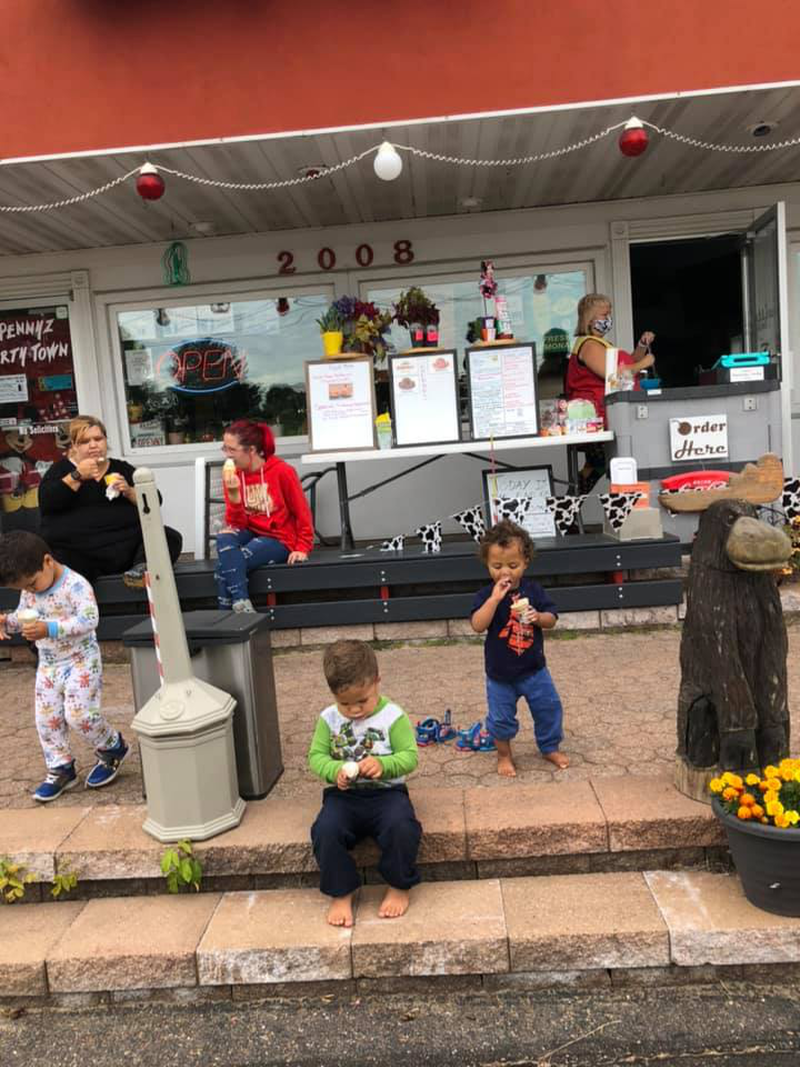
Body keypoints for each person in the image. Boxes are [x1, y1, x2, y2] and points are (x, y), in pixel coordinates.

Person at [0, 531, 129, 802]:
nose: (31, 591)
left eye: (33, 584)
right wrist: (7, 622)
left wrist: (50, 627)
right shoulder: (29, 590)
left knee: (80, 715)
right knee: (47, 719)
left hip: (81, 660)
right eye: (24, 589)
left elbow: (89, 620)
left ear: (47, 561)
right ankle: (61, 766)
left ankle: (112, 746)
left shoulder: (76, 585)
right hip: (48, 664)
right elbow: (26, 617)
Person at [308, 639, 422, 928]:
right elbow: (316, 757)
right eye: (345, 703)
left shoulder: (393, 716)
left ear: (377, 681)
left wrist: (384, 765)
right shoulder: (328, 719)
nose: (355, 710)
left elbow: (410, 757)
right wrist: (335, 770)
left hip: (388, 794)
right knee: (325, 830)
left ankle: (398, 885)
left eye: (363, 700)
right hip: (343, 797)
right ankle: (341, 891)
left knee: (402, 828)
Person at [471, 519, 569, 778]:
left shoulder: (533, 591)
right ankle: (504, 754)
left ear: (525, 562)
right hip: (500, 675)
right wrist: (494, 599)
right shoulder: (485, 596)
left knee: (549, 708)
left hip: (534, 670)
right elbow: (477, 626)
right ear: (487, 565)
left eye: (513, 566)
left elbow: (552, 620)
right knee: (501, 720)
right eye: (497, 566)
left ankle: (549, 746)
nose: (505, 572)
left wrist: (538, 617)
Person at [38, 415, 183, 588]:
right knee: (59, 558)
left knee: (169, 537)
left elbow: (154, 501)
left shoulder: (121, 468)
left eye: (98, 439)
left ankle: (141, 570)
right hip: (82, 553)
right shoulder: (61, 470)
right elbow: (48, 502)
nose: (93, 445)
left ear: (106, 441)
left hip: (126, 549)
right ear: (74, 446)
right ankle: (78, 591)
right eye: (85, 441)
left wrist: (129, 491)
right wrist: (77, 476)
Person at [216, 419, 313, 613]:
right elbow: (237, 523)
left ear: (251, 450)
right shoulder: (233, 474)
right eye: (224, 448)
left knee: (225, 568)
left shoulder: (282, 472)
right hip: (251, 531)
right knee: (224, 538)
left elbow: (302, 512)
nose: (227, 455)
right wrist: (234, 496)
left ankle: (227, 615)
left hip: (280, 538)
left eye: (232, 450)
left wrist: (303, 547)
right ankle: (242, 603)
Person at [564, 293, 655, 493]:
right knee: (600, 464)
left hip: (608, 414)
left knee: (600, 465)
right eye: (604, 314)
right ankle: (566, 514)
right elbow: (613, 375)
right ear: (590, 319)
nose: (609, 318)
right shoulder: (588, 345)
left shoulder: (599, 343)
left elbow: (627, 364)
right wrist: (644, 364)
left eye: (610, 313)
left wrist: (641, 346)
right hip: (596, 417)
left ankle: (566, 514)